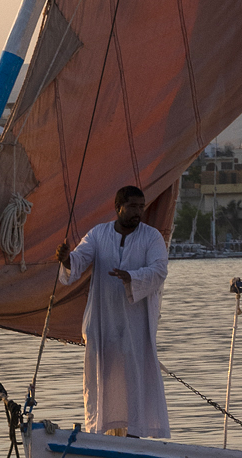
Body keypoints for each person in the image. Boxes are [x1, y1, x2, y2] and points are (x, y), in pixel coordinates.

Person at [56, 184, 170, 437]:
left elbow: (160, 270)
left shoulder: (151, 237)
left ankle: (134, 434)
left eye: (141, 207)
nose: (138, 212)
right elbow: (78, 261)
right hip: (102, 320)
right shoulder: (98, 234)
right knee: (101, 377)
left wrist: (132, 276)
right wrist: (66, 259)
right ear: (118, 207)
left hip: (136, 321)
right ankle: (100, 432)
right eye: (132, 207)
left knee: (134, 376)